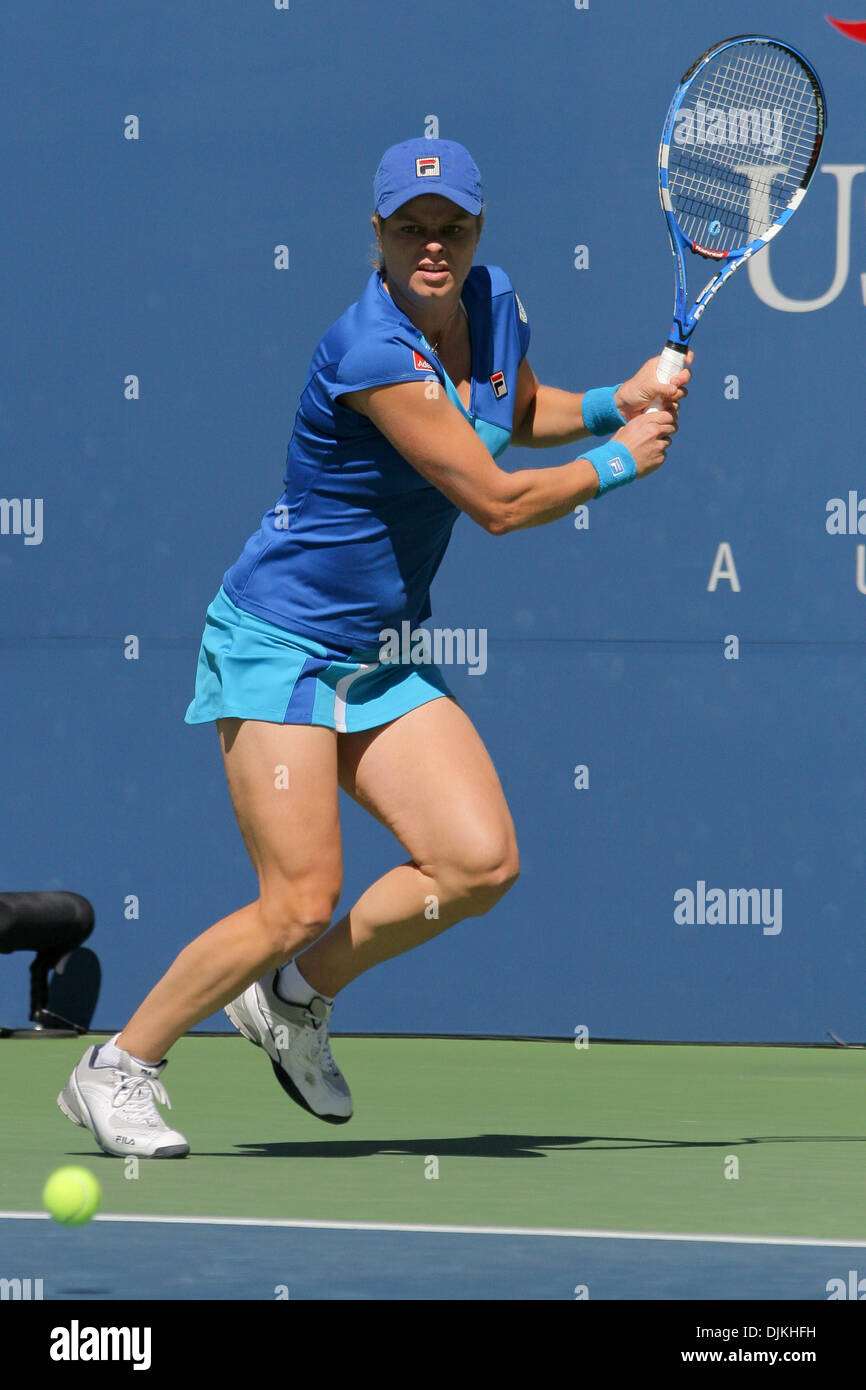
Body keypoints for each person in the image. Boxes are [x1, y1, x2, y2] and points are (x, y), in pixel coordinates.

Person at [57, 138, 690, 1157]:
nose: (430, 245)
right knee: (297, 895)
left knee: (477, 860)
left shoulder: (494, 305)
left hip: (377, 650)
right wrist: (617, 462)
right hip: (278, 643)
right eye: (409, 228)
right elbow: (491, 499)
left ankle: (295, 998)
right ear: (378, 237)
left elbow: (516, 414)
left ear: (477, 232)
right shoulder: (369, 352)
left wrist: (618, 397)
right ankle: (118, 1065)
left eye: (450, 228)